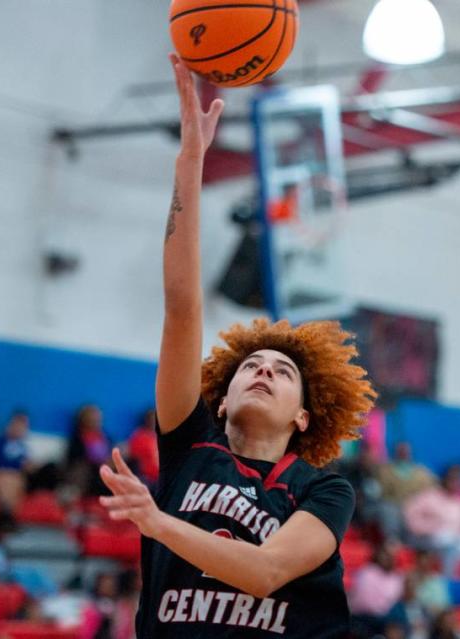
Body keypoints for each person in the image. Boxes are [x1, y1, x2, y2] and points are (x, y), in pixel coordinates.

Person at [96, 54, 376, 639]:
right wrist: (189, 164)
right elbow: (182, 305)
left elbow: (268, 570)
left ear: (303, 414)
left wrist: (156, 522)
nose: (263, 371)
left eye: (281, 370)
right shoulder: (189, 448)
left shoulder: (323, 488)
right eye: (251, 364)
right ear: (219, 401)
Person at [404, 466, 460, 580]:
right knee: (450, 549)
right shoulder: (429, 496)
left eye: (458, 481)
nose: (455, 483)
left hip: (455, 539)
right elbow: (410, 513)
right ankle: (447, 583)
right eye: (452, 480)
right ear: (445, 480)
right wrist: (424, 528)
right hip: (429, 537)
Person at [347, 542, 404, 637]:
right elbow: (364, 602)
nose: (386, 557)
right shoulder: (367, 572)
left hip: (387, 618)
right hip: (365, 617)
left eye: (389, 555)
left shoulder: (397, 577)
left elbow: (396, 600)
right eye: (384, 554)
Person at [65, 404, 112, 499]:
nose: (96, 419)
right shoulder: (77, 438)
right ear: (83, 418)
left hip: (107, 469)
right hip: (91, 472)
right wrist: (100, 463)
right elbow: (75, 459)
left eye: (97, 416)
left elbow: (112, 453)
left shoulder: (105, 437)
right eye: (92, 416)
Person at [126, 409, 159, 488]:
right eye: (152, 419)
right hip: (147, 479)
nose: (154, 421)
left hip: (164, 476)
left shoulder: (161, 436)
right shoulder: (140, 436)